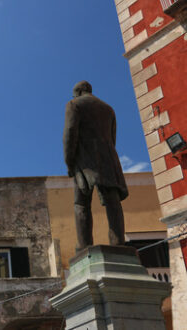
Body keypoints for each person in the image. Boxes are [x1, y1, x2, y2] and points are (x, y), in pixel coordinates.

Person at [63, 81, 128, 252]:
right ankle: (118, 243)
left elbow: (70, 133)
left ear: (79, 91)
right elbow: (113, 138)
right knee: (113, 201)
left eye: (74, 93)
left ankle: (84, 246)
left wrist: (69, 162)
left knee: (81, 204)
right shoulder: (108, 109)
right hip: (109, 159)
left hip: (85, 161)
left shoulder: (74, 105)